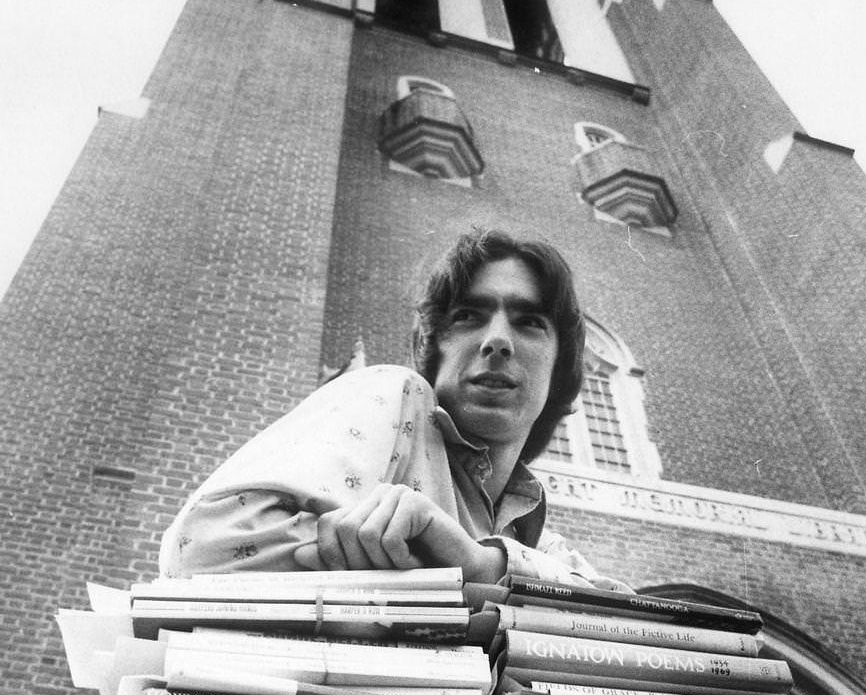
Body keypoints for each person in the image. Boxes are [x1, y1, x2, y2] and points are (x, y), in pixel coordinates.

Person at [159, 229, 626, 588]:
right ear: (432, 346)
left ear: (561, 366)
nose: (498, 341)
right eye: (469, 316)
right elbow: (202, 548)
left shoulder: (533, 539)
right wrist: (434, 570)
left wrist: (482, 564)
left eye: (529, 323)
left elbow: (635, 624)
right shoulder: (400, 397)